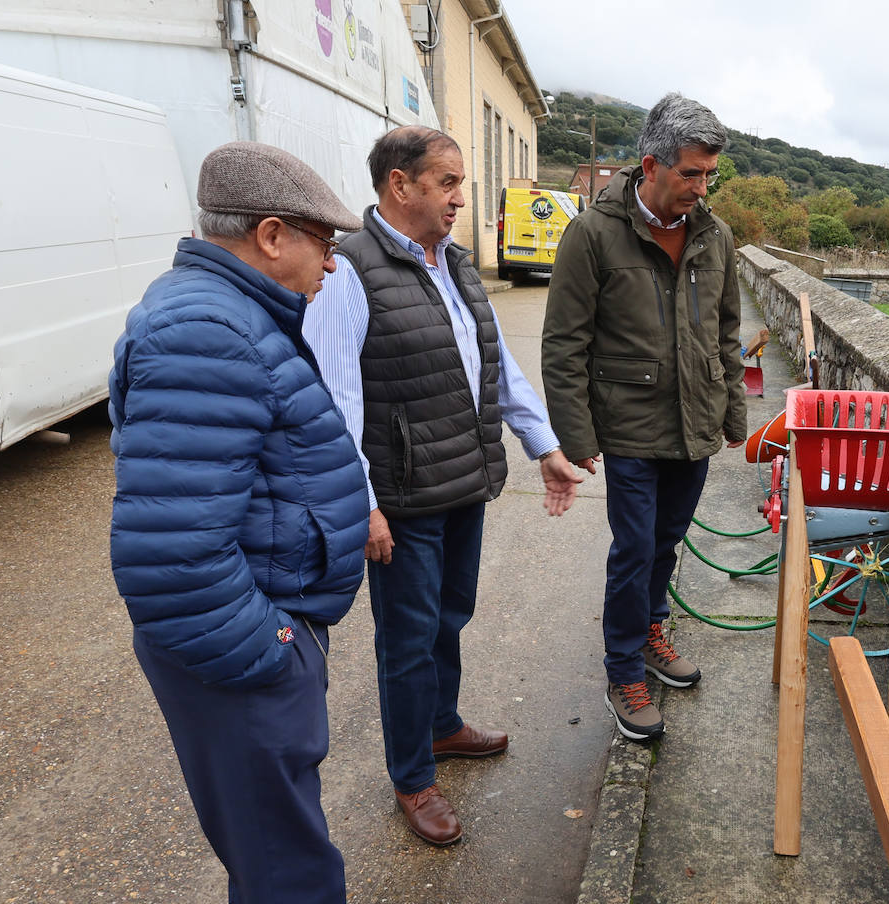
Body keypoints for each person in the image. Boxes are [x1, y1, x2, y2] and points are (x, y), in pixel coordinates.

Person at [109, 141, 369, 904]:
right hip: (242, 656)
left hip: (255, 640)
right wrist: (273, 650)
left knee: (271, 861)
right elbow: (169, 555)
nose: (332, 266)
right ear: (269, 236)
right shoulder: (207, 328)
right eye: (324, 244)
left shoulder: (224, 309)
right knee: (287, 870)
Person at [302, 125, 583, 847]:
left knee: (449, 615)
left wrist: (542, 444)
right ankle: (413, 776)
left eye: (460, 183)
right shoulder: (350, 271)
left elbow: (493, 365)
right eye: (448, 182)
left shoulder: (453, 262)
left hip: (462, 478)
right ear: (401, 185)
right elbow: (334, 402)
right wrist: (361, 503)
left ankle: (443, 725)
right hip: (401, 494)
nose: (462, 197)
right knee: (408, 640)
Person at [541, 93, 747, 741]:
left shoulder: (716, 236)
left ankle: (651, 628)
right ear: (651, 164)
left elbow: (726, 330)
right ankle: (623, 667)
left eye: (709, 174)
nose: (701, 187)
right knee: (633, 549)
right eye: (691, 173)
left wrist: (733, 412)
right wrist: (575, 435)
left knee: (665, 542)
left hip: (696, 423)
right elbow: (564, 343)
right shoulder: (593, 234)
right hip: (628, 426)